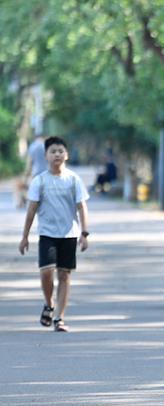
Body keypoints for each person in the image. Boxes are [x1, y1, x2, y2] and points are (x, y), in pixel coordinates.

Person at [18, 136, 90, 333]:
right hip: (47, 234)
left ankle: (59, 317)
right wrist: (24, 237)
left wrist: (84, 233)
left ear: (66, 155)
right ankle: (49, 303)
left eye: (60, 151)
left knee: (65, 275)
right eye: (53, 151)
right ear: (46, 156)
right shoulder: (39, 181)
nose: (57, 154)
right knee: (46, 272)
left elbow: (82, 207)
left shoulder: (73, 180)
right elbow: (31, 210)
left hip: (69, 234)